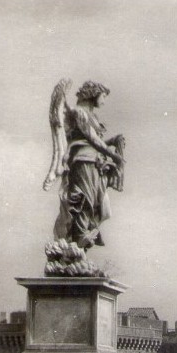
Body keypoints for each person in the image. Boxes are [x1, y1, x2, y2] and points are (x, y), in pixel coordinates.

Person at [44, 79, 126, 251]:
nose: (103, 101)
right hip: (82, 162)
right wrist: (114, 155)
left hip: (94, 163)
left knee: (98, 203)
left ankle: (82, 236)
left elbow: (95, 140)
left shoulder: (90, 115)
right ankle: (80, 236)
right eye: (103, 96)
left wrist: (112, 141)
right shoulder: (79, 112)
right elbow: (92, 139)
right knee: (85, 200)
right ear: (94, 94)